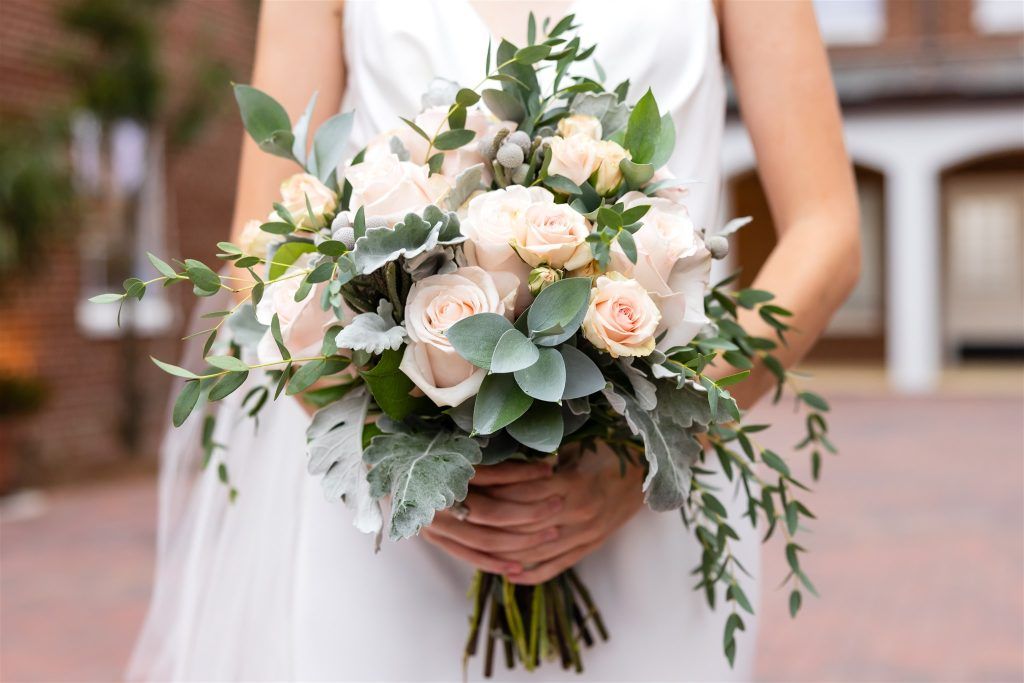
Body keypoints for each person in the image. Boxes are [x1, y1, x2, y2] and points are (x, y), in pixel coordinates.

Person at [128, 1, 860, 680]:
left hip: (644, 498)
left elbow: (827, 231)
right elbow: (260, 257)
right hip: (393, 530)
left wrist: (646, 454)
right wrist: (412, 469)